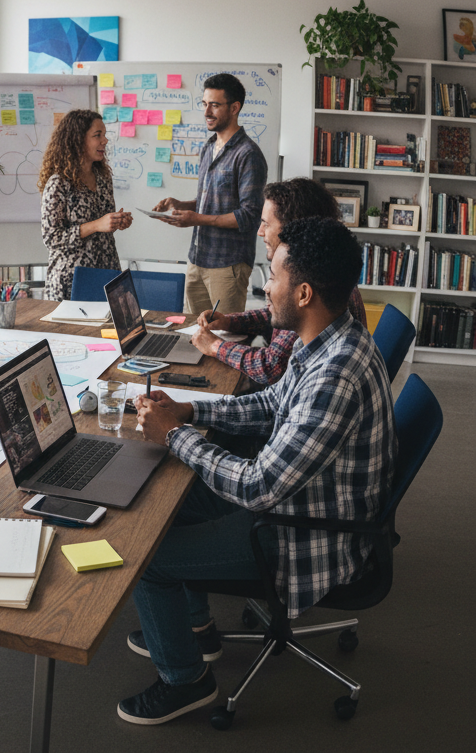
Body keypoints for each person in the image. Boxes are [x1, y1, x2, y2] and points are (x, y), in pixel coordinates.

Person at [116, 218, 395, 726]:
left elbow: (258, 486)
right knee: (164, 503)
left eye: (275, 275)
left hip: (302, 532)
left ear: (304, 293)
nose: (267, 288)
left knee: (147, 556)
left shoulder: (335, 375)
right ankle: (195, 631)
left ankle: (185, 680)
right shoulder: (329, 337)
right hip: (300, 499)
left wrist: (174, 437)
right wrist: (189, 411)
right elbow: (269, 404)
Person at [191, 178, 369, 384]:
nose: (260, 231)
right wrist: (230, 322)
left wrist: (215, 346)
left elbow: (270, 366)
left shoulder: (310, 282)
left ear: (293, 227)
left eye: (266, 224)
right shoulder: (323, 269)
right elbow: (275, 313)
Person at [153, 73, 266, 317]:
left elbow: (249, 216)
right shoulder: (208, 147)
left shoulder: (248, 154)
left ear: (234, 108)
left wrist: (196, 219)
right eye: (204, 104)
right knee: (194, 331)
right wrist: (181, 204)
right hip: (197, 259)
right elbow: (211, 202)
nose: (206, 112)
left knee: (223, 334)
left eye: (214, 105)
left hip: (227, 264)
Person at [38, 109, 132, 300]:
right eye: (97, 135)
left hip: (106, 275)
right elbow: (52, 239)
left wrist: (116, 222)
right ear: (78, 140)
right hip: (72, 281)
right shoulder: (58, 183)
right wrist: (96, 225)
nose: (105, 141)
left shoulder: (103, 177)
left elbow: (103, 225)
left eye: (104, 135)